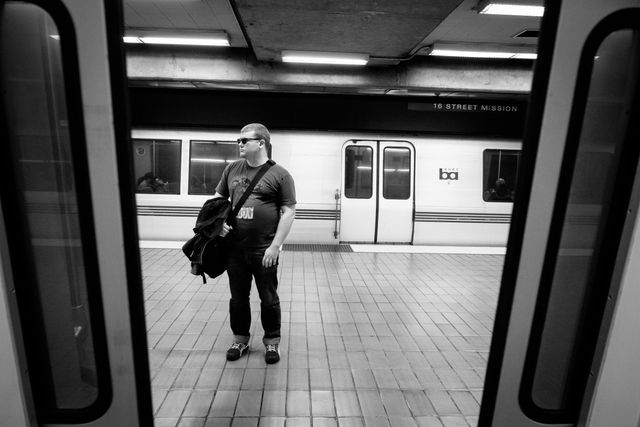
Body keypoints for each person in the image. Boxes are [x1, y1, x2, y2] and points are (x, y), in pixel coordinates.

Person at [213, 123, 296, 364]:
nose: (239, 144)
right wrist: (218, 224)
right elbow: (218, 199)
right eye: (238, 140)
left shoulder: (280, 174)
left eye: (244, 140)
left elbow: (288, 212)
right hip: (234, 249)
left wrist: (275, 246)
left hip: (264, 249)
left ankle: (272, 343)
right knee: (238, 298)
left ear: (261, 143)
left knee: (268, 297)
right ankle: (240, 339)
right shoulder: (231, 170)